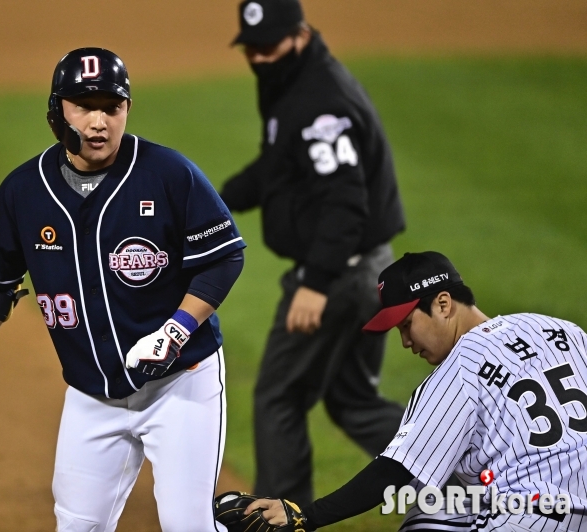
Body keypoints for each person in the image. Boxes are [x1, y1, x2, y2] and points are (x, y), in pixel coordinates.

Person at [0, 47, 246, 532]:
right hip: (91, 395)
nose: (99, 121)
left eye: (112, 107)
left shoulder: (168, 173)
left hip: (180, 384)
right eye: (83, 106)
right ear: (56, 114)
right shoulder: (23, 191)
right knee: (77, 527)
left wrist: (174, 330)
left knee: (187, 527)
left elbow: (223, 257)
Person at [229, 251, 587, 531]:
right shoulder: (561, 330)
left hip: (530, 518)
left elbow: (392, 471)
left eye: (407, 325)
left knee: (428, 511)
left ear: (443, 304)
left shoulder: (460, 365)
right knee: (438, 510)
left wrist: (307, 516)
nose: (405, 342)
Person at [220, 0, 406, 506]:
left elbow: (346, 201)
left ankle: (275, 516)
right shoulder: (296, 82)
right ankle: (474, 483)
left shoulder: (318, 101)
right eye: (251, 48)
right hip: (369, 269)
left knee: (279, 396)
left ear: (299, 35)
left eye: (268, 46)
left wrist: (316, 284)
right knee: (353, 401)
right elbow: (278, 166)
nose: (259, 58)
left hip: (341, 273)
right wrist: (215, 201)